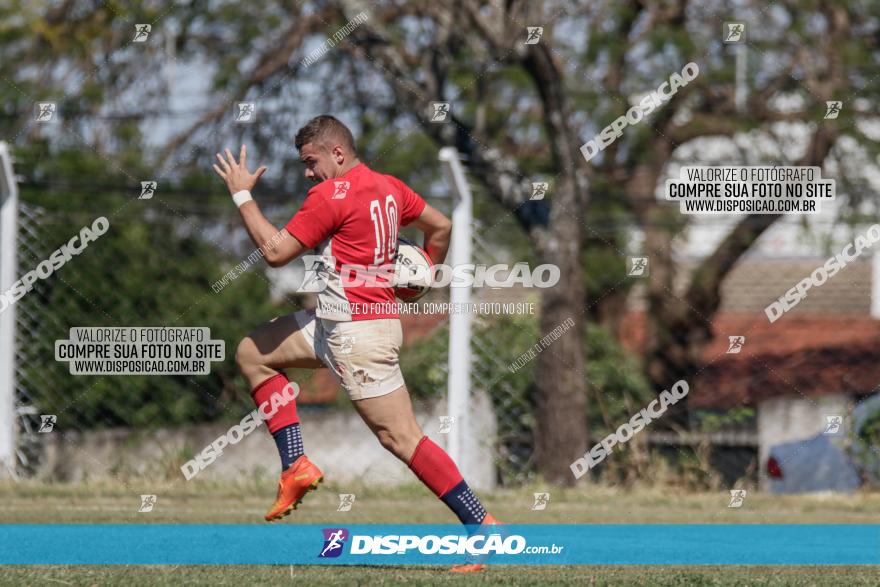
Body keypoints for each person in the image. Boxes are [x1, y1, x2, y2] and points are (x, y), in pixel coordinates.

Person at [212, 115, 496, 572]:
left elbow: (275, 252)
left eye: (311, 162)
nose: (307, 172)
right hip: (332, 324)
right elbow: (440, 227)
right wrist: (423, 273)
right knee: (254, 351)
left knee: (401, 438)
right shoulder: (389, 187)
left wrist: (242, 195)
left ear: (337, 154)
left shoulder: (329, 195)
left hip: (357, 337)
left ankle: (482, 527)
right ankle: (295, 466)